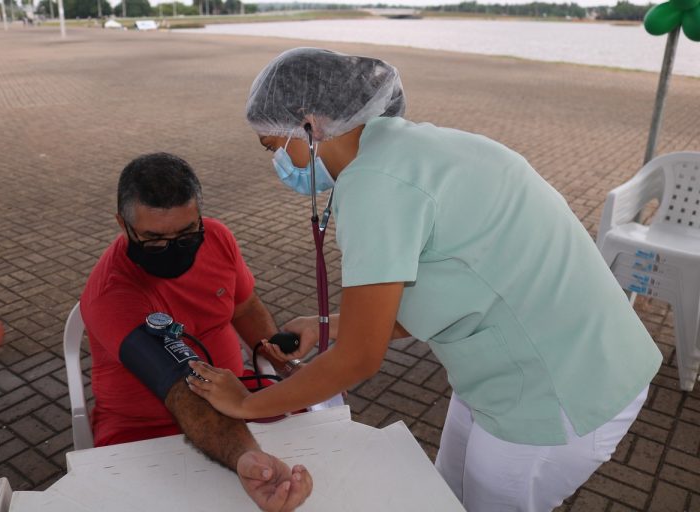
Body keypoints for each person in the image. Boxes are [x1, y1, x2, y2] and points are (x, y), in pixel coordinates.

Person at [186, 48, 663, 512]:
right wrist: (331, 322)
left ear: (310, 125)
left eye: (275, 145)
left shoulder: (376, 184)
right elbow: (460, 280)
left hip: (563, 390)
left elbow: (358, 358)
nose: (279, 165)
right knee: (443, 494)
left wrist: (250, 404)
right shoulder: (412, 147)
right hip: (524, 367)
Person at [80, 152, 312, 512]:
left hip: (240, 397)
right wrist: (247, 456)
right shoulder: (112, 293)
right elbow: (182, 389)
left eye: (187, 234)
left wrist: (278, 358)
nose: (173, 249)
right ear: (122, 225)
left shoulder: (217, 238)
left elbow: (244, 307)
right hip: (144, 429)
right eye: (154, 240)